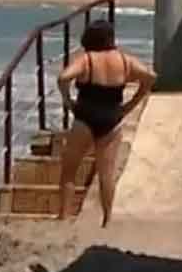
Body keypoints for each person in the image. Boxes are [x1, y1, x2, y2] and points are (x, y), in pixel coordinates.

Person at [56, 19, 156, 227]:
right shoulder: (124, 60)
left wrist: (68, 101)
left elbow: (63, 77)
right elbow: (150, 77)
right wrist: (130, 104)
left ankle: (64, 217)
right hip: (111, 119)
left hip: (85, 118)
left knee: (69, 171)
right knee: (106, 174)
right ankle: (107, 221)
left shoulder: (87, 59)